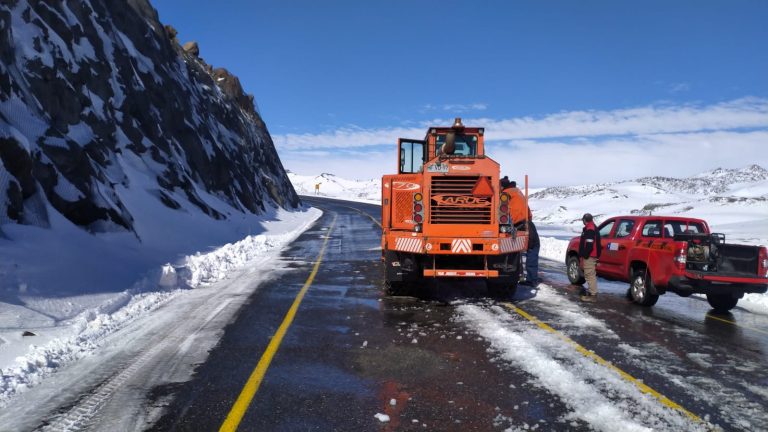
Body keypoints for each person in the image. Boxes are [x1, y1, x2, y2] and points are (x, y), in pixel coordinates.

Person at [578, 213, 602, 302]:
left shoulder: (590, 228)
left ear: (585, 220)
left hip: (590, 255)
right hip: (591, 254)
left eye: (583, 220)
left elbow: (589, 244)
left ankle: (593, 295)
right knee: (589, 274)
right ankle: (592, 293)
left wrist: (585, 254)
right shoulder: (591, 227)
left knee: (589, 274)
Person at [524, 220, 540, 286]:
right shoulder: (529, 223)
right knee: (530, 263)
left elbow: (532, 238)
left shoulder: (528, 225)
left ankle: (533, 281)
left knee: (531, 264)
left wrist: (529, 247)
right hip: (533, 245)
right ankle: (530, 279)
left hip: (533, 246)